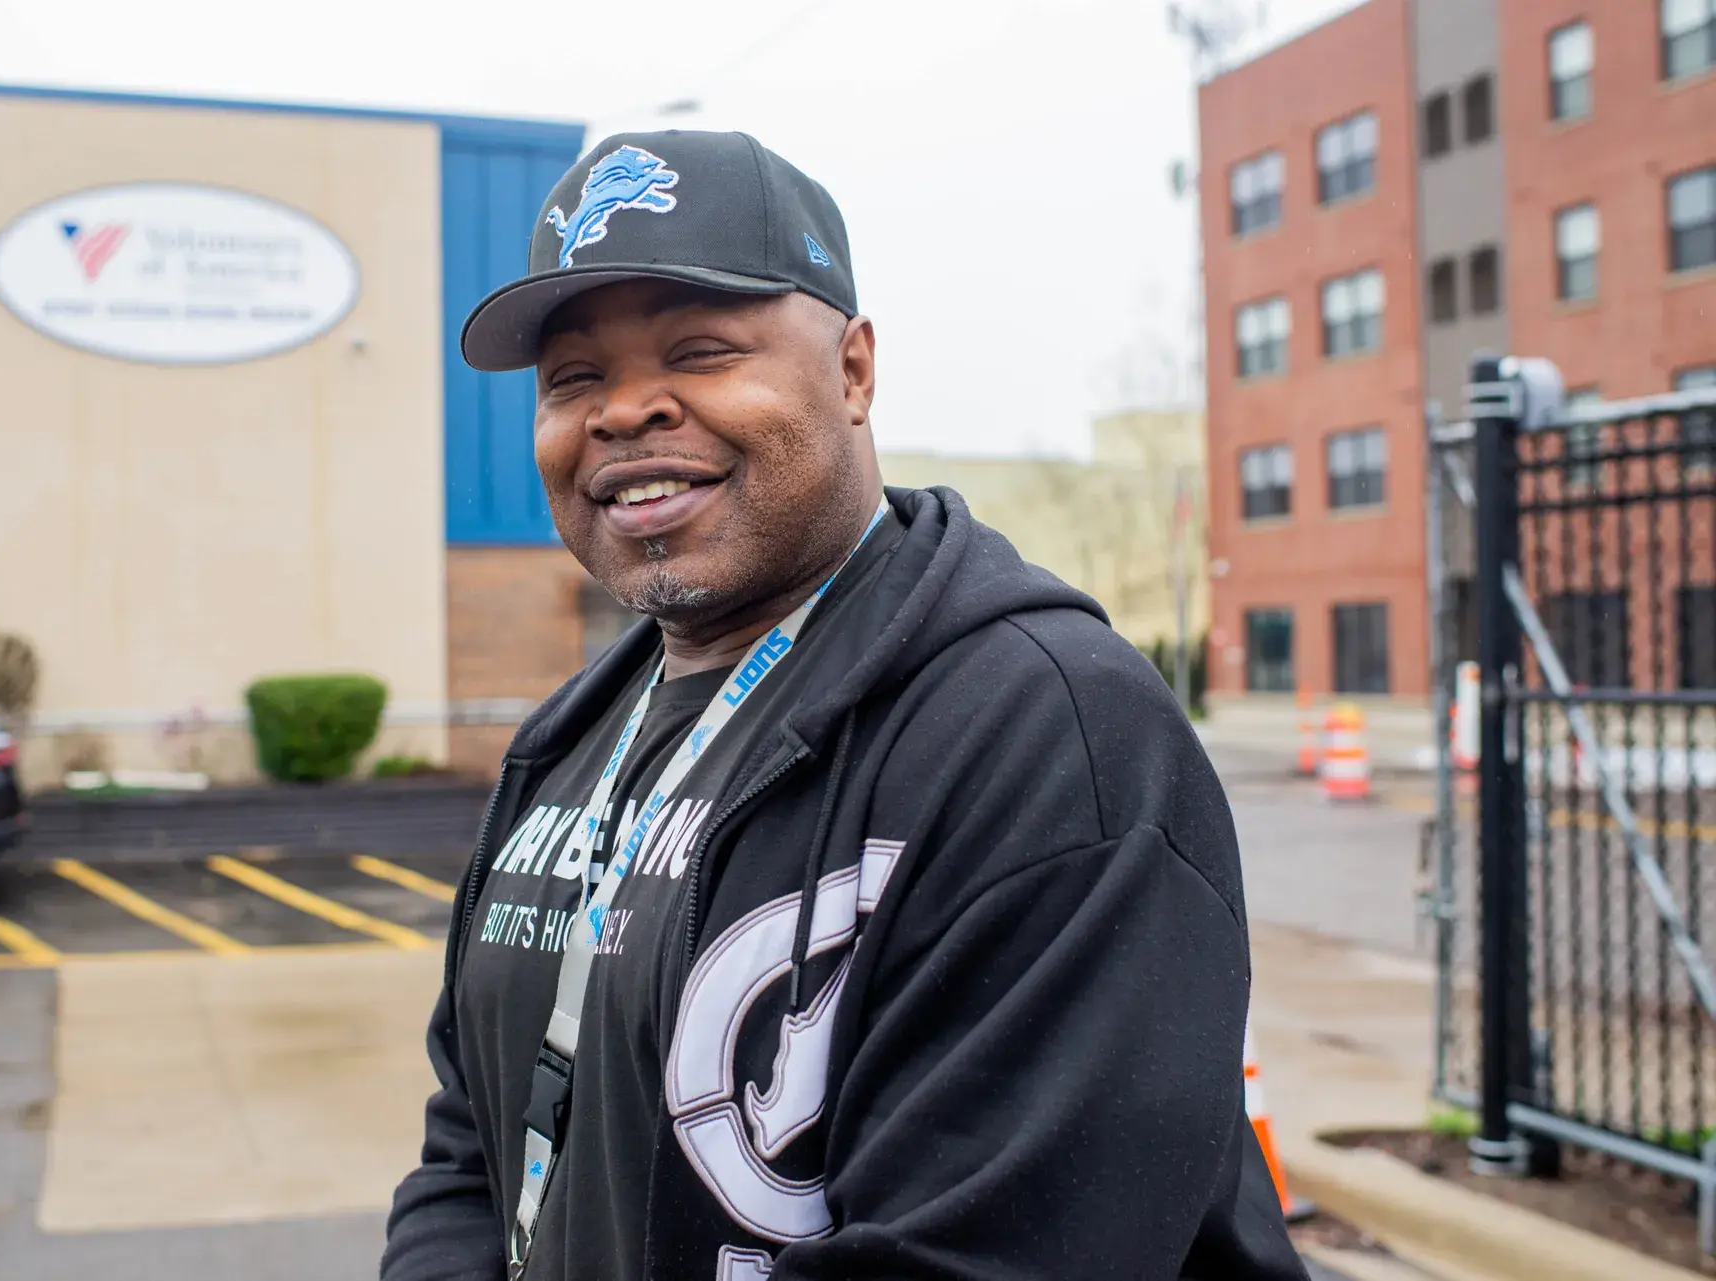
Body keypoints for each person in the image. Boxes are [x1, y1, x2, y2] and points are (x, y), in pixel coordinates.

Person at [383, 130, 1307, 1281]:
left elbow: (987, 1258)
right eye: (576, 379)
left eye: (700, 350)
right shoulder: (569, 742)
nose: (623, 413)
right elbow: (470, 1144)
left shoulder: (1046, 733)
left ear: (855, 371)